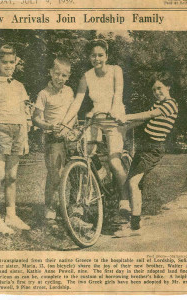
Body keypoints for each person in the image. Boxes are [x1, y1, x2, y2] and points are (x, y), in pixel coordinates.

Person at [60, 39, 128, 211]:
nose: (96, 58)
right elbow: (77, 102)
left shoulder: (115, 71)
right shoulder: (87, 76)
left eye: (100, 55)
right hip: (96, 118)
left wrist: (113, 111)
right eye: (93, 55)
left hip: (114, 119)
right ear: (89, 57)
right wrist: (64, 123)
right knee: (85, 155)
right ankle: (100, 180)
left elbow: (118, 94)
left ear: (106, 56)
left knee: (114, 162)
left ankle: (125, 201)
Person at [115, 73, 178, 236]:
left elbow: (149, 115)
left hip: (154, 148)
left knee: (134, 183)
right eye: (154, 89)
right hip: (144, 147)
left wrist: (126, 116)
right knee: (133, 183)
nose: (157, 92)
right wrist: (124, 127)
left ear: (168, 87)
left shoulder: (171, 104)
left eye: (160, 88)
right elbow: (142, 121)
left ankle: (134, 226)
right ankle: (134, 222)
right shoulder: (157, 104)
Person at [0, 44, 30, 234]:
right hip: (0, 132)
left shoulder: (19, 86)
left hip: (18, 131)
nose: (9, 66)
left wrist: (25, 138)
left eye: (12, 62)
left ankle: (11, 215)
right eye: (5, 62)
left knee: (12, 176)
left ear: (16, 63)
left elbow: (24, 113)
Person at [32, 56, 74, 221]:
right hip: (53, 138)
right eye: (57, 74)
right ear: (50, 73)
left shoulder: (70, 91)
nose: (60, 78)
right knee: (54, 174)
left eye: (64, 75)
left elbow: (74, 113)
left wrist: (69, 127)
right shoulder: (44, 94)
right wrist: (49, 126)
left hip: (69, 137)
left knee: (72, 173)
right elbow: (35, 118)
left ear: (68, 76)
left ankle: (72, 207)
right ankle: (50, 207)